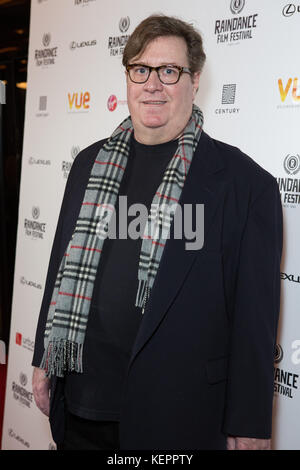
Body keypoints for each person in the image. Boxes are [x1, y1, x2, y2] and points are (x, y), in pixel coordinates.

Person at [32, 14, 282, 450]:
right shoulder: (89, 165)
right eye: (140, 69)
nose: (152, 84)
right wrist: (42, 359)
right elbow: (59, 266)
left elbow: (254, 320)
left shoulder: (245, 185)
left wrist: (251, 422)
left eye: (169, 71)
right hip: (81, 407)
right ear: (128, 77)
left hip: (176, 414)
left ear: (195, 79)